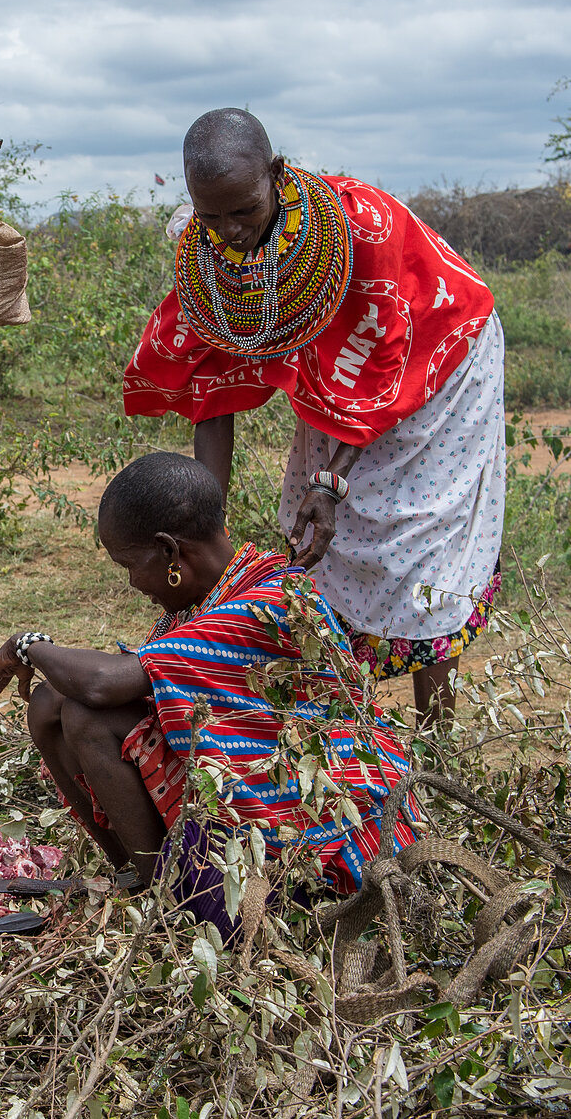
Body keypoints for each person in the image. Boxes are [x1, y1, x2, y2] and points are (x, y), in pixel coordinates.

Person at [125, 108, 505, 726]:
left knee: (416, 532)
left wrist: (331, 482)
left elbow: (384, 365)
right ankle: (338, 722)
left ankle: (438, 740)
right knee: (324, 542)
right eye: (210, 214)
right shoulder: (207, 258)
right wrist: (201, 526)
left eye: (244, 210)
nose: (230, 230)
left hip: (439, 354)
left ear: (277, 174)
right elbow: (211, 387)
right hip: (346, 379)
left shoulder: (364, 231)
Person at [0, 453, 419, 936]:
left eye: (130, 565)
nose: (133, 583)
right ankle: (142, 880)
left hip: (317, 858)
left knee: (85, 713)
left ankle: (174, 904)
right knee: (48, 705)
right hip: (278, 822)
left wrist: (26, 645)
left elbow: (102, 685)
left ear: (169, 553)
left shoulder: (266, 603)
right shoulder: (225, 592)